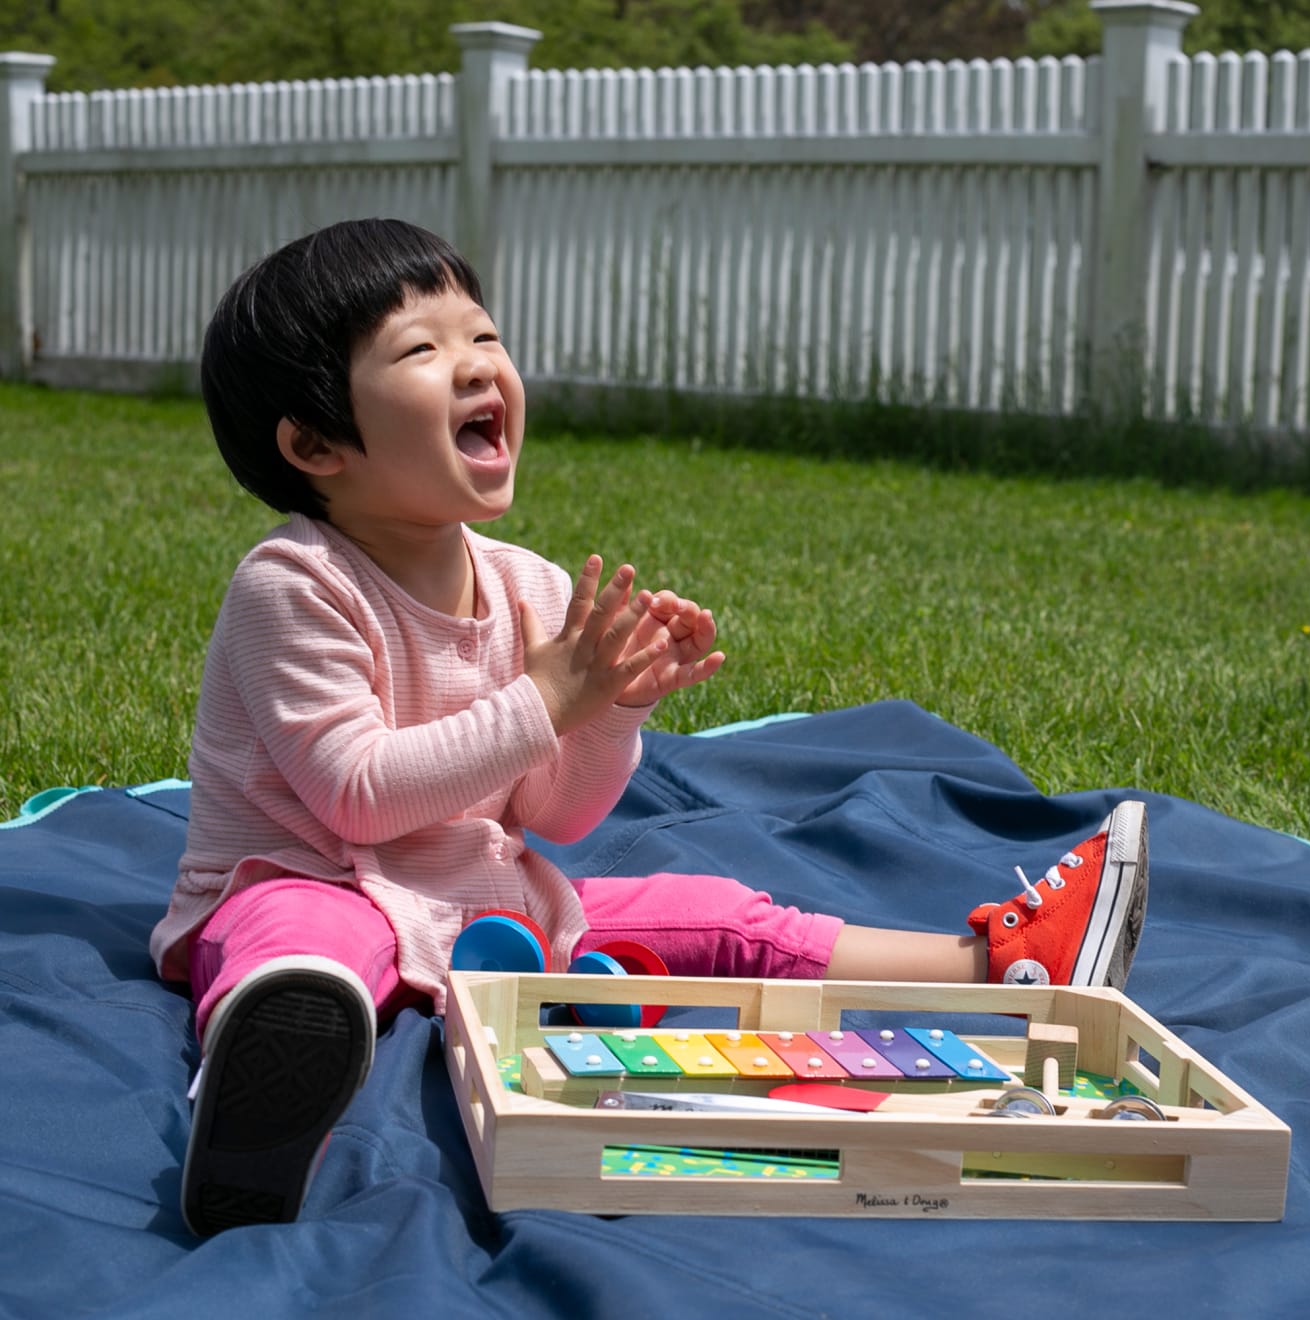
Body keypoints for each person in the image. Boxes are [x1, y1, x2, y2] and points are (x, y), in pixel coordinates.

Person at [152, 218, 1149, 1237]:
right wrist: (545, 700)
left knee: (709, 909)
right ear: (315, 444)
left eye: (483, 337)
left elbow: (559, 815)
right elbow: (353, 795)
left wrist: (609, 707)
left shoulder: (530, 587)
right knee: (309, 944)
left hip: (475, 901)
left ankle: (1002, 964)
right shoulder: (295, 582)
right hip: (310, 875)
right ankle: (264, 1105)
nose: (475, 367)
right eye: (422, 349)